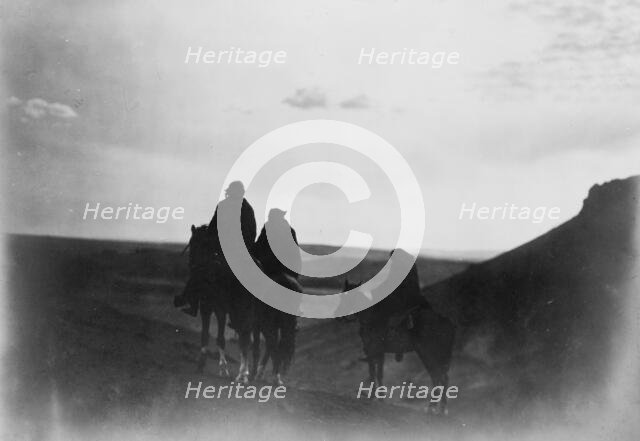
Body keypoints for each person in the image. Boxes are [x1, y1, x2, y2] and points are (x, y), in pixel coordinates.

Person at [176, 181, 257, 317]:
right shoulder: (246, 208)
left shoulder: (225, 206)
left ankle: (192, 303)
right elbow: (252, 231)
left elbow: (212, 229)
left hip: (227, 251)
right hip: (240, 252)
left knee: (200, 271)